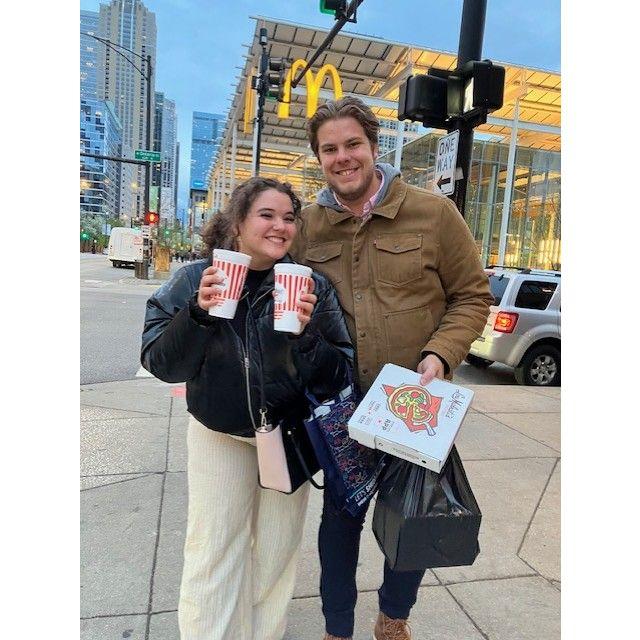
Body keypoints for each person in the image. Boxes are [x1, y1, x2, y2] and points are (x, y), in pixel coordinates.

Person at [291, 96, 494, 640]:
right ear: (319, 158)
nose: (342, 157)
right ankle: (337, 628)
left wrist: (441, 353)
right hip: (341, 408)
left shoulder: (433, 214)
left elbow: (473, 296)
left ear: (373, 145)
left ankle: (393, 618)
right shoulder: (308, 226)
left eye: (352, 144)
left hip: (414, 403)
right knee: (339, 523)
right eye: (329, 149)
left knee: (414, 515)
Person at [141, 176, 354, 640]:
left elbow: (340, 373)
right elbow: (160, 363)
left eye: (289, 218)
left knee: (276, 554)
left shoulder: (311, 286)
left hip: (288, 437)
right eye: (267, 215)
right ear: (237, 222)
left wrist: (307, 337)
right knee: (213, 550)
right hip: (219, 432)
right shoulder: (195, 279)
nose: (281, 226)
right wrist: (197, 314)